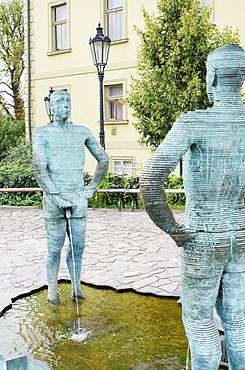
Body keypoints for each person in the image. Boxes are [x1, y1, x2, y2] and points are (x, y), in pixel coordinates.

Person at [140, 44, 245, 370]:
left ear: (211, 77)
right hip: (240, 234)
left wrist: (173, 229)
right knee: (238, 319)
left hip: (203, 235)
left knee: (199, 318)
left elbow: (149, 180)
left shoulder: (195, 121)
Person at [32, 90, 108, 306]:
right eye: (59, 102)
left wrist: (91, 187)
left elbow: (103, 159)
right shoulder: (42, 133)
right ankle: (52, 292)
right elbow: (40, 167)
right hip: (54, 201)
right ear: (51, 107)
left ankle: (76, 288)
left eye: (68, 101)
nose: (65, 105)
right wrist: (55, 195)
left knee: (78, 247)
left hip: (77, 199)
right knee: (54, 248)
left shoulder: (81, 131)